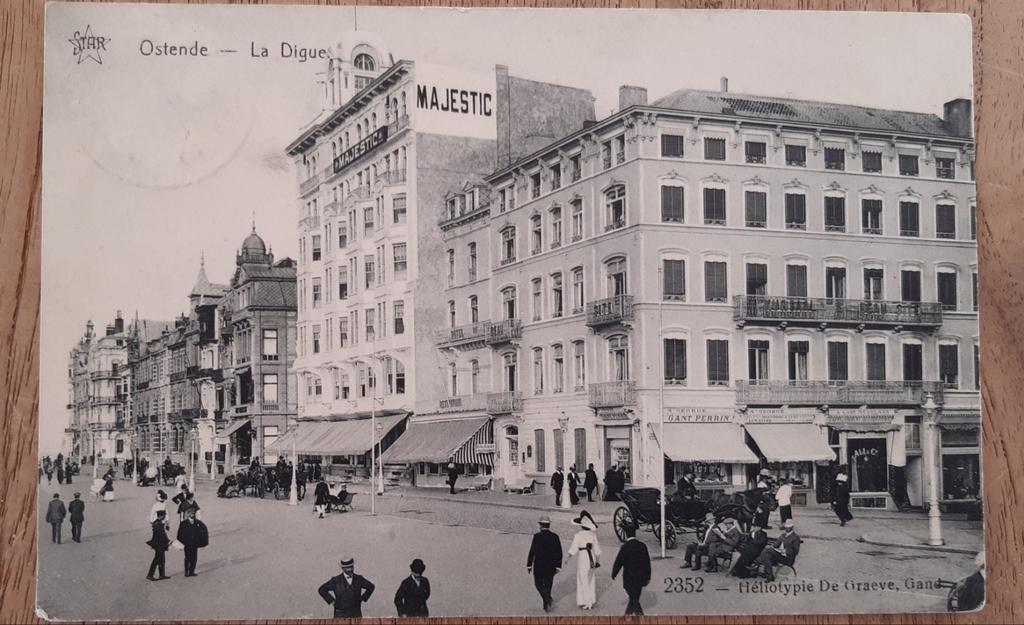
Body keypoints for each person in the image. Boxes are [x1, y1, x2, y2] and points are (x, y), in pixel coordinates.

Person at [611, 523, 651, 616]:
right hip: (640, 577)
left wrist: (614, 573)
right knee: (635, 598)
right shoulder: (642, 546)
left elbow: (618, 562)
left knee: (633, 599)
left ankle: (634, 616)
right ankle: (631, 616)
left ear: (626, 534)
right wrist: (648, 577)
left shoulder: (625, 547)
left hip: (628, 578)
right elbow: (647, 563)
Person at [526, 515, 562, 613]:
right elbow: (559, 552)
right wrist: (558, 565)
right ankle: (546, 606)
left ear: (540, 525)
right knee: (548, 585)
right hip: (551, 565)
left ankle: (548, 600)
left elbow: (532, 551)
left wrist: (529, 564)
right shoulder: (555, 537)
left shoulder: (537, 536)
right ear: (549, 525)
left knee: (538, 584)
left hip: (539, 565)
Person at [567, 510, 601, 610]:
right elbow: (597, 550)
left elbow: (573, 548)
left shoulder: (578, 536)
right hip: (592, 559)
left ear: (581, 526)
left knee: (582, 579)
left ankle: (586, 602)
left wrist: (568, 558)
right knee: (591, 579)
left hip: (583, 558)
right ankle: (590, 599)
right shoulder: (593, 535)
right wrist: (598, 561)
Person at [176, 507, 209, 577]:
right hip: (187, 544)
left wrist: (203, 540)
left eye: (193, 513)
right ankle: (186, 572)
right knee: (187, 558)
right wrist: (180, 543)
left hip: (194, 543)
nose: (192, 515)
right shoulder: (183, 523)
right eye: (191, 513)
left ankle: (192, 571)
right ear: (188, 514)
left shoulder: (198, 522)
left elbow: (204, 530)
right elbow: (179, 534)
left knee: (194, 558)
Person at [146, 510, 171, 581]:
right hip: (159, 544)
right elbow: (162, 535)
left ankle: (161, 574)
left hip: (158, 544)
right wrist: (167, 541)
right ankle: (150, 575)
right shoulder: (158, 524)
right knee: (157, 559)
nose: (165, 517)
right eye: (164, 516)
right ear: (161, 516)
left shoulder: (157, 523)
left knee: (161, 559)